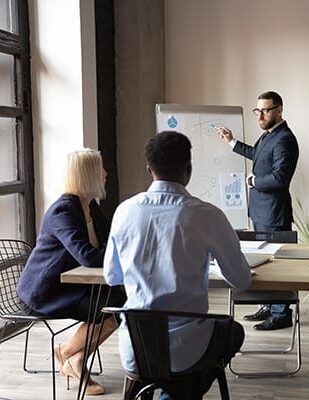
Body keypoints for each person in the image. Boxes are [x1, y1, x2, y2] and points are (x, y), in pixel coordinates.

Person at [103, 131, 251, 400]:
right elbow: (241, 280)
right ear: (189, 169)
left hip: (136, 348)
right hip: (187, 351)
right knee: (234, 331)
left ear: (149, 169)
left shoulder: (124, 211)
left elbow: (112, 276)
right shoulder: (207, 215)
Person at [16, 149, 125, 396]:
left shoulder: (90, 207)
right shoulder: (63, 211)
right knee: (113, 306)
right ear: (88, 176)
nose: (105, 174)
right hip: (47, 291)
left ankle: (73, 358)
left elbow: (114, 241)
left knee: (120, 305)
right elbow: (87, 256)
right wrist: (121, 256)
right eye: (100, 170)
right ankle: (67, 353)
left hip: (74, 287)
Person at [219, 91, 299, 331]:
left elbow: (280, 178)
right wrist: (232, 142)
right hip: (261, 212)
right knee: (264, 261)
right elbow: (258, 155)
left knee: (275, 264)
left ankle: (281, 313)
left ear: (279, 110)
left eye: (265, 110)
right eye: (258, 111)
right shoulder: (269, 136)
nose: (260, 115)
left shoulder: (284, 138)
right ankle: (268, 305)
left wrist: (253, 182)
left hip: (273, 213)